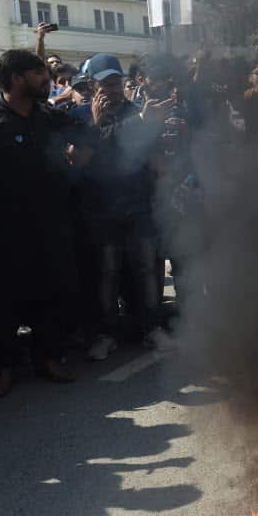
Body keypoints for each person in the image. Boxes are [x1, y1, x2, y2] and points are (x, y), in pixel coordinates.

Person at [0, 50, 87, 396]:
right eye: (39, 74)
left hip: (51, 225)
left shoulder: (49, 115)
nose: (47, 80)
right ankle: (3, 368)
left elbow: (86, 135)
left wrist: (79, 151)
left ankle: (50, 359)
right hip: (5, 229)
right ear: (16, 78)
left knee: (51, 294)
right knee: (4, 302)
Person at [79, 53, 177, 361]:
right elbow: (79, 161)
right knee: (107, 272)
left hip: (138, 206)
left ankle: (151, 329)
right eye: (106, 84)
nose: (113, 90)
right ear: (93, 86)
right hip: (101, 210)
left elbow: (159, 162)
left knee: (148, 269)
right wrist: (96, 125)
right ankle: (106, 333)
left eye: (117, 82)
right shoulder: (82, 116)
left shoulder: (141, 111)